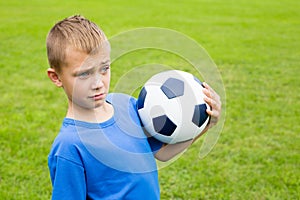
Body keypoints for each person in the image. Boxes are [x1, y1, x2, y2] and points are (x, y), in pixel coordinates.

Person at [46, 15, 221, 200]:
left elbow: (162, 153)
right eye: (84, 74)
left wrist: (208, 123)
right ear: (56, 77)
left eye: (104, 69)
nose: (98, 83)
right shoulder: (69, 146)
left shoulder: (126, 105)